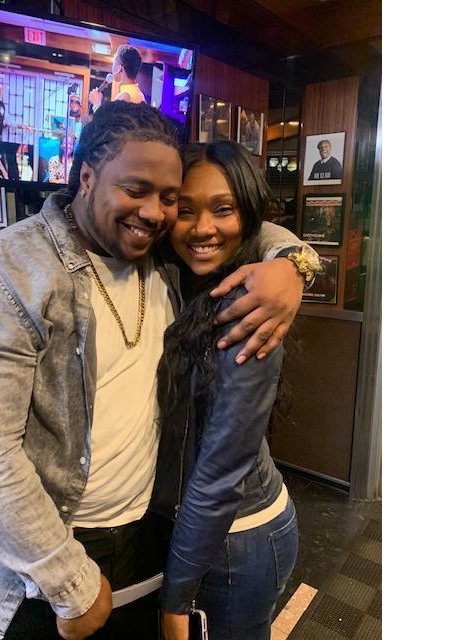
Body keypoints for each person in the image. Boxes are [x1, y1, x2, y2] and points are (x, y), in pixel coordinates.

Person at [0, 101, 319, 640]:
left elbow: (242, 226)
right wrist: (70, 583)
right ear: (86, 177)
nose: (155, 213)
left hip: (146, 542)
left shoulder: (163, 259)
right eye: (136, 190)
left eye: (168, 198)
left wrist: (292, 263)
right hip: (39, 564)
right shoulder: (5, 274)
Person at [152, 141, 302, 640]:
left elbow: (221, 468)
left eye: (223, 209)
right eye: (185, 210)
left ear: (248, 212)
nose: (202, 228)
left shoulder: (246, 304)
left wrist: (177, 598)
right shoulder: (179, 276)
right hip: (200, 531)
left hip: (238, 540)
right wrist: (293, 259)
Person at [88, 44, 146, 111]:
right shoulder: (140, 95)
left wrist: (96, 104)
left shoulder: (125, 96)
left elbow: (106, 119)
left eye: (114, 63)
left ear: (119, 68)